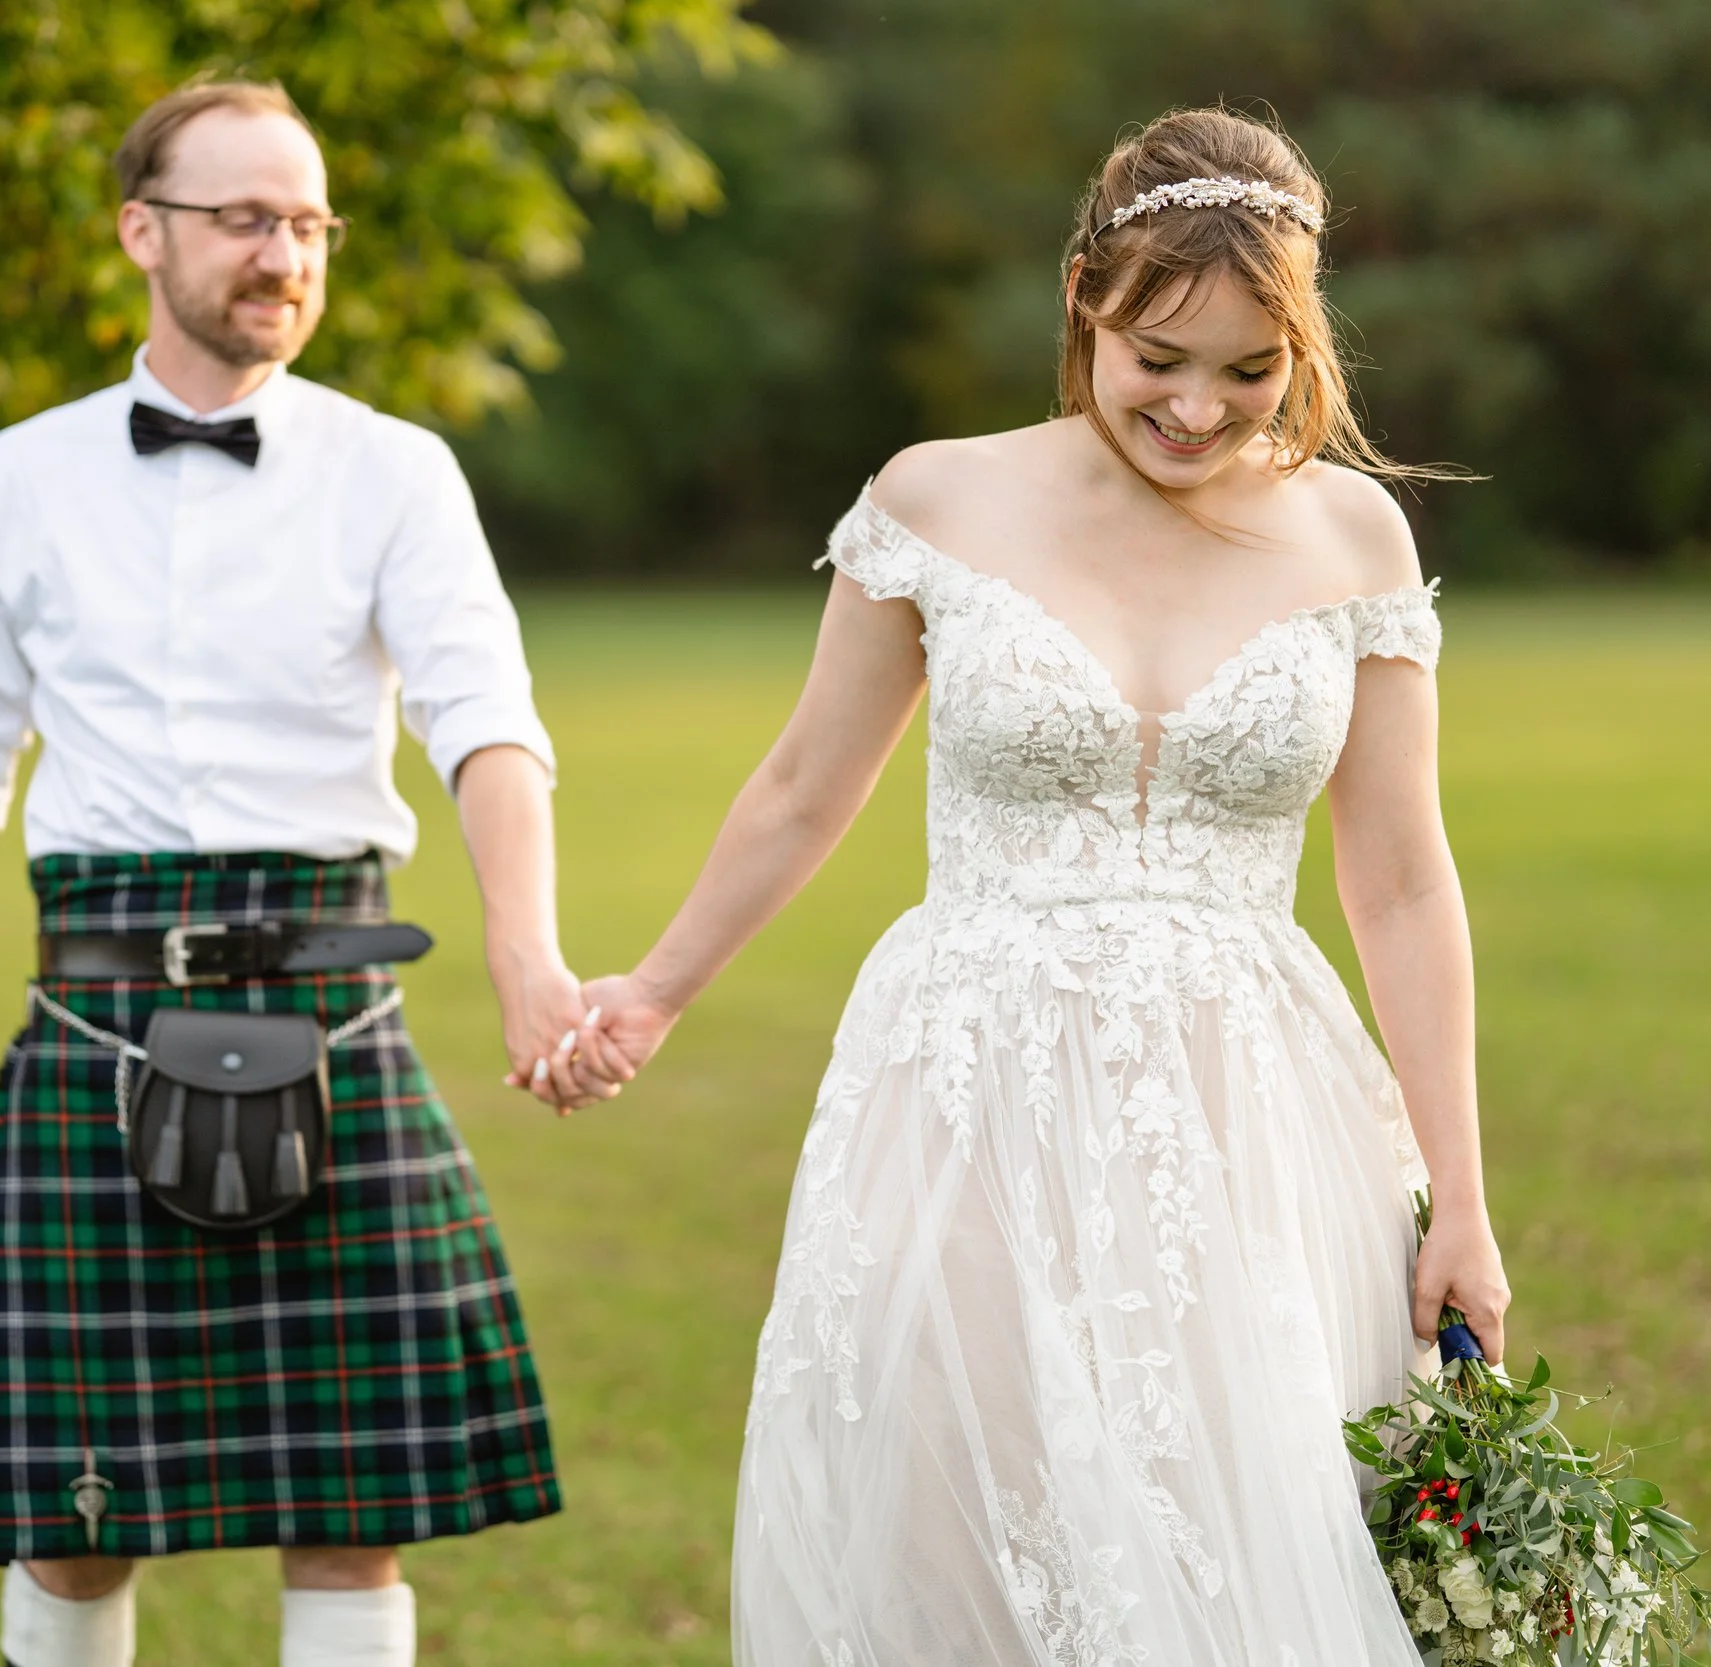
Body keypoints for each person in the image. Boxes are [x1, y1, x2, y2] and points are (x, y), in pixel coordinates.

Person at [561, 106, 1513, 1662]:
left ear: (1303, 345)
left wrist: (1461, 1201)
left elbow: (1402, 879)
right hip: (967, 1094)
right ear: (1085, 295)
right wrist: (655, 992)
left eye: (1250, 369)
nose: (1198, 409)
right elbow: (809, 783)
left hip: (1247, 1105)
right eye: (1160, 357)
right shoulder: (941, 498)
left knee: (1229, 1530)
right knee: (979, 1524)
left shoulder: (1356, 534)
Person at [0, 78, 601, 1667]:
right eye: (248, 218)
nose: (286, 253)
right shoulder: (16, 479)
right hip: (94, 1015)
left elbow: (489, 726)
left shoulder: (395, 471)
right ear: (143, 232)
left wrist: (529, 950)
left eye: (310, 222)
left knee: (349, 1517)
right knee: (73, 1520)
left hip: (334, 1006)